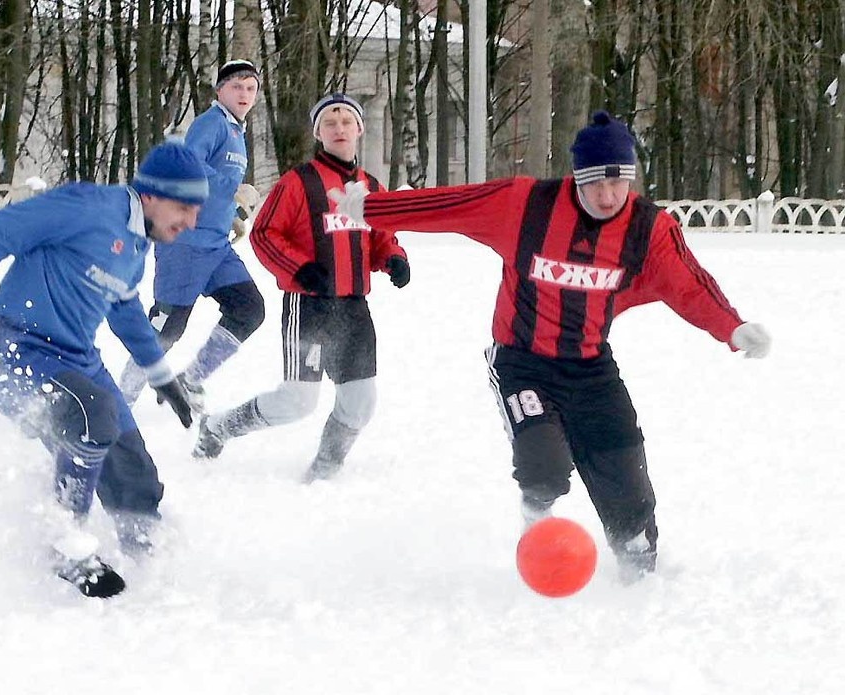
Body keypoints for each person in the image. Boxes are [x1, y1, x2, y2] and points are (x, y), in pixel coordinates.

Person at [329, 110, 772, 581]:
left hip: (590, 365)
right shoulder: (527, 206)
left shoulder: (648, 229)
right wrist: (371, 210)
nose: (607, 196)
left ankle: (638, 567)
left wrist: (732, 328)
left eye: (618, 183)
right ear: (576, 178)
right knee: (544, 461)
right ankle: (536, 518)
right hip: (521, 362)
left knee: (624, 465)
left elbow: (688, 285)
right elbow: (450, 205)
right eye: (594, 183)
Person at [0, 142, 207, 598]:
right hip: (13, 351)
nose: (191, 222)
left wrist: (162, 376)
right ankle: (65, 544)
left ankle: (149, 559)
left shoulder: (137, 245)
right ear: (152, 195)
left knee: (133, 468)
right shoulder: (88, 207)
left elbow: (124, 308)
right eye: (184, 208)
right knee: (92, 413)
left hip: (78, 361)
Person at [193, 93, 411, 483]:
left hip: (354, 309)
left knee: (360, 403)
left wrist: (394, 257)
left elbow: (382, 236)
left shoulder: (371, 186)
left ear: (359, 130)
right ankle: (217, 428)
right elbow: (264, 234)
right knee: (297, 401)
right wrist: (301, 268)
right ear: (318, 133)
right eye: (330, 123)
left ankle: (324, 473)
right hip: (308, 307)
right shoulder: (299, 182)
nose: (339, 128)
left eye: (347, 121)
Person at [119, 59, 266, 411]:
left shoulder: (236, 132)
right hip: (185, 243)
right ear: (220, 91)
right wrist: (232, 189)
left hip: (216, 244)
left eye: (251, 88)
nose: (244, 94)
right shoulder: (212, 123)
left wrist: (230, 218)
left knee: (249, 309)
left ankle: (189, 379)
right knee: (167, 328)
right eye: (236, 86)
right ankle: (119, 400)